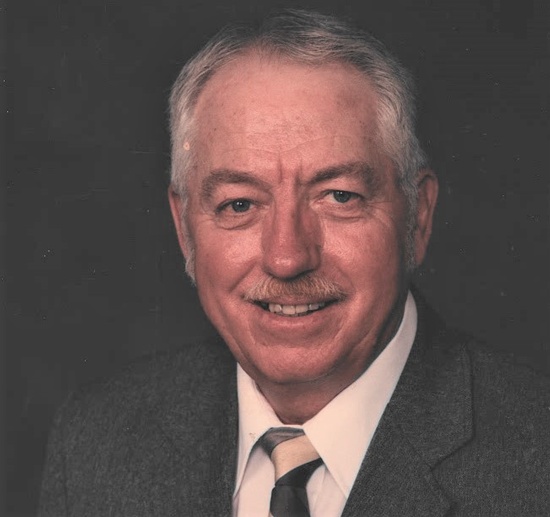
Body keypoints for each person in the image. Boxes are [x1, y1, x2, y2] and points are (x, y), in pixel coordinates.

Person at [39, 9, 549, 517]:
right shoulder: (96, 442)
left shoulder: (535, 459)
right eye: (239, 204)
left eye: (339, 196)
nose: (286, 258)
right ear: (184, 228)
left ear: (417, 217)